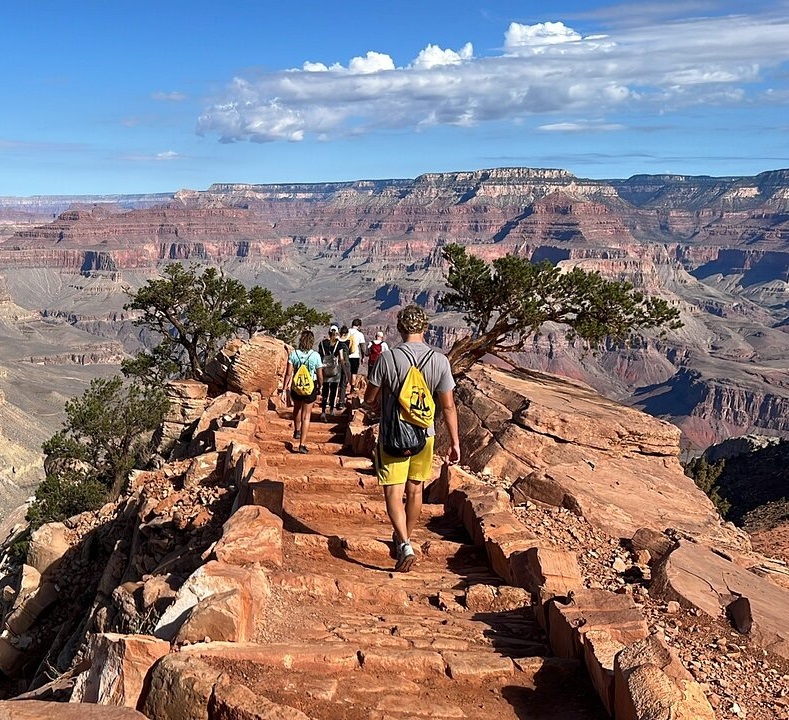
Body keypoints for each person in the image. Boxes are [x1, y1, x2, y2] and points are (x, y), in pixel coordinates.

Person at [363, 305, 461, 573]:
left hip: (393, 435)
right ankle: (407, 537)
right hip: (424, 435)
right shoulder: (440, 361)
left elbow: (369, 399)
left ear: (399, 328)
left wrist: (376, 405)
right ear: (426, 328)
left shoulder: (387, 359)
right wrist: (455, 442)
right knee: (415, 490)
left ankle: (404, 543)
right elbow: (449, 406)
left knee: (394, 492)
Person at [280, 329, 323, 453]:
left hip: (296, 387)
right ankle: (302, 445)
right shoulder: (315, 356)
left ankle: (297, 430)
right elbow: (320, 375)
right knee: (307, 416)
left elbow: (288, 373)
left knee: (297, 408)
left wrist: (284, 389)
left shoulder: (294, 354)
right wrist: (320, 386)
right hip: (310, 388)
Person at [318, 325, 346, 421]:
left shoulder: (322, 343)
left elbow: (320, 356)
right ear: (337, 333)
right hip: (335, 369)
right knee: (334, 389)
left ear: (329, 333)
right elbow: (341, 358)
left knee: (325, 389)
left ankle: (323, 412)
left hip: (325, 369)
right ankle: (331, 410)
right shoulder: (339, 344)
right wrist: (345, 371)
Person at [336, 325, 353, 411]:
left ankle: (332, 400)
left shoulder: (337, 342)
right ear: (346, 333)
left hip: (337, 363)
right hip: (346, 363)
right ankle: (341, 402)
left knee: (335, 382)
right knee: (343, 383)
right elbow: (351, 351)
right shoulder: (349, 341)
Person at [347, 318, 367, 392]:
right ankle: (352, 388)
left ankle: (343, 387)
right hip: (355, 355)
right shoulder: (360, 334)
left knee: (345, 372)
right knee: (354, 372)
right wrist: (363, 357)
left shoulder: (346, 332)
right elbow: (362, 347)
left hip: (345, 356)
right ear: (358, 326)